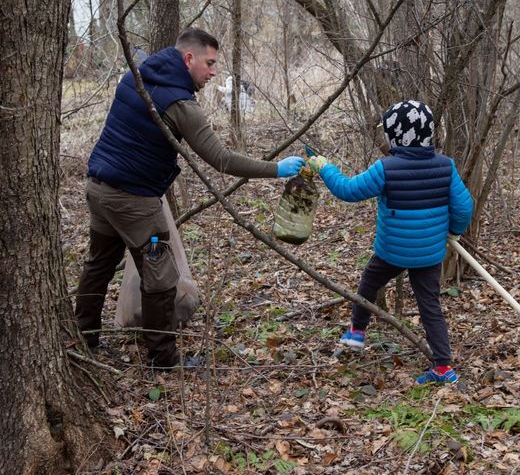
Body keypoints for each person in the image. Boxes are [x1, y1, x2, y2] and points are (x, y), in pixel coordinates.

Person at [75, 28, 305, 368]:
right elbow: (222, 160)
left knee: (99, 265)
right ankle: (163, 360)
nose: (214, 72)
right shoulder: (180, 104)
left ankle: (84, 338)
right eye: (210, 64)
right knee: (161, 278)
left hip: (98, 189)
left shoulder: (134, 76)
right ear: (188, 59)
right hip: (134, 200)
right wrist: (278, 168)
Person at [308, 100, 473, 385]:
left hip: (392, 253)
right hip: (429, 253)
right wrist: (454, 232)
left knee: (369, 284)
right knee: (429, 305)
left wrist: (324, 167)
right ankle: (444, 368)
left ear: (396, 133)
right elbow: (463, 207)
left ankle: (357, 333)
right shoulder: (446, 166)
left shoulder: (386, 168)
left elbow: (347, 190)